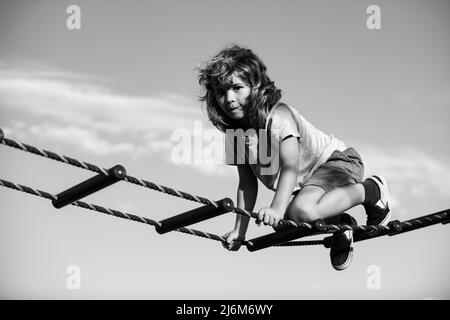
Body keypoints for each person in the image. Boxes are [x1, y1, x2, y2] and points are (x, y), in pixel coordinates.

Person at [197, 44, 391, 271]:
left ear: (256, 86)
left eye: (237, 88)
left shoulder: (277, 116)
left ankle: (372, 190)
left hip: (336, 163)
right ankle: (341, 225)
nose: (228, 98)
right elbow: (246, 183)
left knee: (298, 212)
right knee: (286, 225)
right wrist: (240, 230)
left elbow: (290, 166)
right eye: (220, 92)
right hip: (308, 184)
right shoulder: (235, 135)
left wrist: (277, 209)